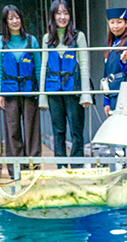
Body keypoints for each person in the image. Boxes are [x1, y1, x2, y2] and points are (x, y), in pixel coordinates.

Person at [40, 0, 92, 167]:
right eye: (58, 13)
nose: (62, 17)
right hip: (54, 91)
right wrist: (43, 96)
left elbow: (84, 65)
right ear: (53, 16)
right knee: (58, 131)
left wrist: (86, 94)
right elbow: (44, 66)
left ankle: (77, 165)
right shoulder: (47, 38)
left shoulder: (79, 36)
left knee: (76, 130)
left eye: (65, 13)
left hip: (73, 90)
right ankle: (61, 165)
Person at [0, 5, 42, 176]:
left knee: (32, 129)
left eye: (17, 17)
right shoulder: (1, 41)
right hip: (10, 92)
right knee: (12, 129)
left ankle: (34, 168)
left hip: (29, 91)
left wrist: (40, 93)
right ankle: (15, 169)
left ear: (21, 19)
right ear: (6, 22)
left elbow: (38, 67)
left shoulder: (32, 40)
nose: (14, 21)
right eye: (10, 18)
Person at [102, 7, 127, 117]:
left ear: (126, 24)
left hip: (125, 89)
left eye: (119, 22)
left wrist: (125, 61)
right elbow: (106, 74)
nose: (115, 26)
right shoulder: (110, 45)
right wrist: (106, 101)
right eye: (112, 22)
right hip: (113, 92)